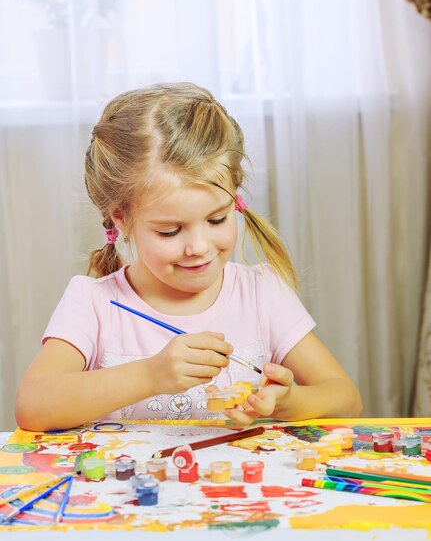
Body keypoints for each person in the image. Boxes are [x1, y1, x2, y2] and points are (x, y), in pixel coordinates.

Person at [15, 82, 363, 430]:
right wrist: (150, 375)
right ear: (121, 218)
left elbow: (347, 400)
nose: (198, 246)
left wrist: (289, 402)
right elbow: (32, 406)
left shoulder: (261, 292)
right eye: (170, 231)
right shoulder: (93, 302)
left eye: (217, 219)